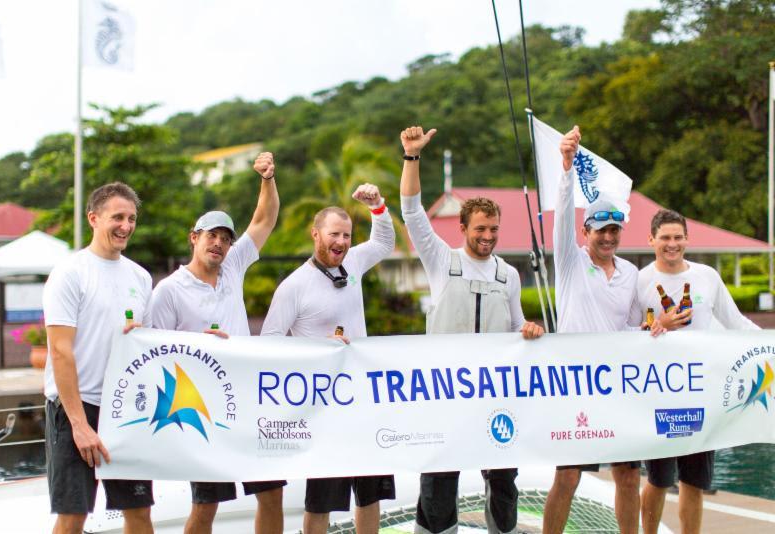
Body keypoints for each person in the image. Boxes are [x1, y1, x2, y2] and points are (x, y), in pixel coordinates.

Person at [398, 125, 544, 534]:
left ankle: (504, 530)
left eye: (494, 229)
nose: (488, 236)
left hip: (496, 391)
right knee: (441, 475)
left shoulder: (508, 275)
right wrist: (412, 156)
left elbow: (517, 326)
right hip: (444, 388)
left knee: (503, 477)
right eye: (480, 228)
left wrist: (529, 330)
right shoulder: (441, 261)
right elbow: (411, 210)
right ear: (462, 228)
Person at [149, 152, 282, 534]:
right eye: (212, 236)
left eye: (226, 238)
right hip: (202, 405)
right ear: (194, 238)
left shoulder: (234, 266)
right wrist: (197, 348)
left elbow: (265, 218)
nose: (220, 244)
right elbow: (155, 354)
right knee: (206, 503)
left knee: (271, 493)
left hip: (250, 399)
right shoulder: (168, 291)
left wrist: (267, 179)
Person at [261, 183, 396, 534]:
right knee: (321, 499)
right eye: (335, 234)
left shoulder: (352, 262)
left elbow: (384, 243)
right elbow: (270, 343)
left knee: (369, 494)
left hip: (364, 400)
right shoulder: (294, 285)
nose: (342, 242)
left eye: (348, 236)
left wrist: (378, 206)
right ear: (315, 234)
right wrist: (318, 351)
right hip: (324, 406)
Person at [634, 208, 760, 534]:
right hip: (657, 395)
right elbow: (625, 333)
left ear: (687, 239)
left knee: (694, 481)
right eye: (665, 238)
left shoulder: (706, 277)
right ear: (651, 240)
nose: (672, 244)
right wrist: (655, 326)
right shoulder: (641, 281)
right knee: (659, 480)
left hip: (701, 393)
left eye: (678, 237)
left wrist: (769, 345)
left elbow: (737, 324)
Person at [542, 126, 641, 534]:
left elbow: (635, 328)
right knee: (567, 477)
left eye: (614, 230)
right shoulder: (569, 261)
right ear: (586, 234)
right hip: (575, 385)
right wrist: (566, 170)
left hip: (616, 386)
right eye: (600, 230)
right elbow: (562, 218)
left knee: (629, 476)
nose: (607, 237)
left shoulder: (632, 274)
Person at [43, 182, 154, 534]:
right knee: (73, 515)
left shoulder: (140, 277)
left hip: (124, 410)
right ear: (93, 218)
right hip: (75, 407)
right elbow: (60, 351)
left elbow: (147, 348)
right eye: (117, 217)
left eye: (132, 218)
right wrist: (79, 424)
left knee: (138, 512)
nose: (126, 226)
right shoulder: (70, 273)